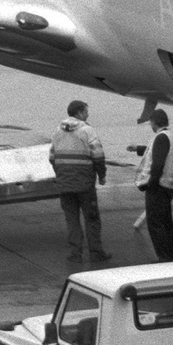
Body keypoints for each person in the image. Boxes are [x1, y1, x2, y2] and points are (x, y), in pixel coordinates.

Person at [50, 99, 110, 263]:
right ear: (79, 113)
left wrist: (61, 174)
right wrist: (101, 175)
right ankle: (96, 253)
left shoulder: (57, 132)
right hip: (84, 184)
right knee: (91, 219)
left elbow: (52, 157)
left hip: (65, 184)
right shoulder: (87, 130)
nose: (87, 114)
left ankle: (75, 254)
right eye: (85, 111)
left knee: (72, 219)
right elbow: (98, 155)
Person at [131, 108, 173, 262]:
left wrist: (151, 183)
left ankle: (163, 258)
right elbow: (155, 152)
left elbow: (158, 163)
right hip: (169, 187)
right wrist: (137, 149)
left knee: (156, 224)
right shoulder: (171, 136)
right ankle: (170, 256)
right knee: (166, 223)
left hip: (159, 187)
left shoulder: (160, 137)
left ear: (154, 122)